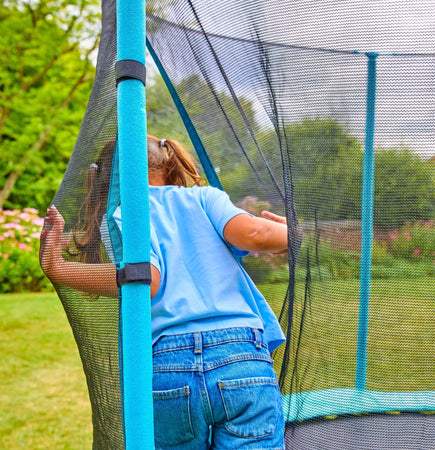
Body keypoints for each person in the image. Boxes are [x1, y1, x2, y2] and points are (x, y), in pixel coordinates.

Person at [40, 135, 289, 450]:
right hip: (240, 356)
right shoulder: (205, 198)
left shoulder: (121, 214)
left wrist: (58, 268)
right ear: (170, 164)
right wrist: (293, 233)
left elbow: (146, 279)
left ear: (107, 179)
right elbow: (257, 233)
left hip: (169, 367)